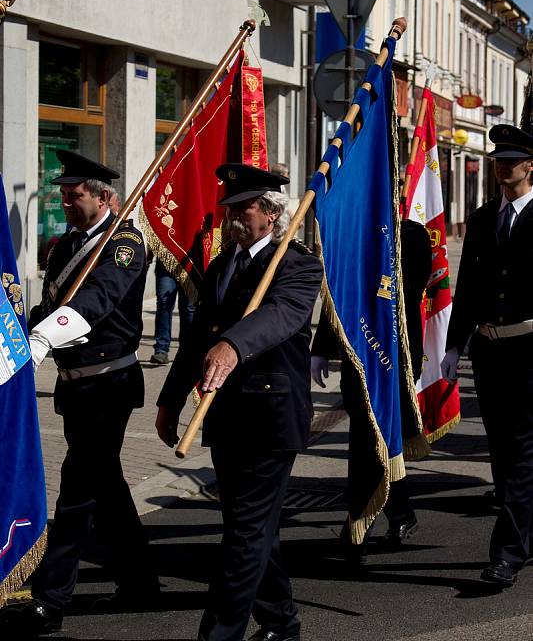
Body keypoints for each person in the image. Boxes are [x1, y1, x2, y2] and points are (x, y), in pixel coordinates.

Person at [156, 163, 323, 641]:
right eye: (228, 207)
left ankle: (219, 635)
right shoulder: (222, 263)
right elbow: (196, 339)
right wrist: (170, 400)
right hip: (226, 415)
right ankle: (280, 622)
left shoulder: (297, 263)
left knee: (244, 533)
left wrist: (233, 344)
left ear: (270, 214)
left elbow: (281, 315)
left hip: (271, 418)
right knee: (252, 526)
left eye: (243, 208)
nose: (231, 216)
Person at [0, 150, 158, 636]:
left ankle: (51, 598)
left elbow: (99, 299)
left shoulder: (125, 243)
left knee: (76, 492)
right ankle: (140, 581)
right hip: (75, 388)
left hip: (109, 382)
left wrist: (45, 338)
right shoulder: (67, 246)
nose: (67, 203)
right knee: (106, 487)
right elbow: (52, 303)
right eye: (63, 196)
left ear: (103, 196)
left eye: (75, 196)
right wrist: (15, 338)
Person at [441, 124, 533, 588]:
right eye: (499, 160)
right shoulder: (480, 220)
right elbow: (470, 290)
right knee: (504, 453)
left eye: (512, 160)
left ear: (530, 166)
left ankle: (507, 555)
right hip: (491, 352)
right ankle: (524, 534)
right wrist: (453, 345)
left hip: (531, 348)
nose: (503, 167)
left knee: (520, 455)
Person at [311, 219, 432, 557]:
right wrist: (321, 348)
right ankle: (385, 513)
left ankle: (370, 518)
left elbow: (405, 290)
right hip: (358, 355)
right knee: (364, 440)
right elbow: (339, 292)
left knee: (383, 437)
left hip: (395, 356)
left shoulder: (409, 235)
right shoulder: (353, 233)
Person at [150, 258, 195, 365]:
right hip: (166, 263)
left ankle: (186, 351)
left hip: (191, 265)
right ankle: (161, 349)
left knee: (189, 309)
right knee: (163, 303)